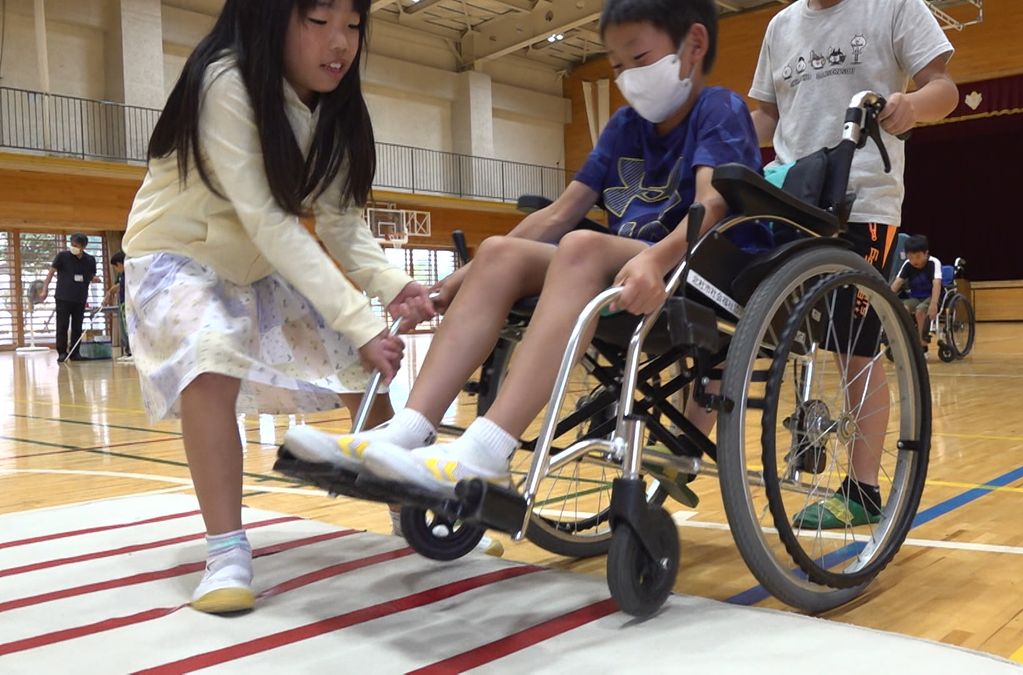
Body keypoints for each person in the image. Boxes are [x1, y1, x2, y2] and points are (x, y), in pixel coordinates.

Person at [284, 0, 771, 494]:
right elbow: (558, 213)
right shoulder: (625, 127)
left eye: (640, 59)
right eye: (618, 66)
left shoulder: (720, 109)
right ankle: (409, 430)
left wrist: (654, 258)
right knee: (498, 251)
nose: (627, 77)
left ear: (693, 46)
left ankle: (489, 448)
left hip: (703, 265)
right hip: (625, 262)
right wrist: (462, 276)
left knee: (582, 245)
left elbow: (711, 206)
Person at [121, 0, 433, 614]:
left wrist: (393, 286)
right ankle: (226, 553)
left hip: (257, 267)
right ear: (271, 17)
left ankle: (417, 520)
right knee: (209, 364)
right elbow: (267, 218)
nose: (339, 43)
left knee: (363, 369)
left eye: (352, 25)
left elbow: (341, 221)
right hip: (177, 258)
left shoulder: (335, 107)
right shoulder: (225, 80)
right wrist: (364, 320)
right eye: (319, 22)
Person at [749, 0, 957, 528]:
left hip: (860, 200)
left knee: (854, 349)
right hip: (787, 196)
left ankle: (863, 490)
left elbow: (945, 88)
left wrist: (912, 104)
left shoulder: (892, 7)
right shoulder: (781, 25)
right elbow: (766, 115)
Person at [39, 233, 98, 363]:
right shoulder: (62, 256)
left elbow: (91, 276)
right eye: (72, 244)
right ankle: (61, 352)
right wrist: (44, 289)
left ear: (83, 247)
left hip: (80, 297)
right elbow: (51, 273)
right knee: (62, 325)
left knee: (77, 326)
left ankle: (75, 353)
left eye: (76, 245)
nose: (73, 247)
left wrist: (94, 279)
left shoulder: (90, 260)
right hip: (63, 297)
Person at [890, 234, 942, 349]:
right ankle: (907, 336)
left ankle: (921, 340)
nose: (914, 261)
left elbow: (937, 284)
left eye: (918, 257)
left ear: (926, 253)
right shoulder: (908, 264)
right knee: (901, 308)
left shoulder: (933, 262)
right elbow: (897, 282)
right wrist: (885, 297)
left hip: (931, 297)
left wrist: (934, 304)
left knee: (920, 310)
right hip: (915, 298)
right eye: (910, 257)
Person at [102, 251, 133, 361]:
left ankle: (133, 352)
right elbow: (117, 286)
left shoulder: (131, 272)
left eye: (115, 267)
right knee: (125, 328)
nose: (116, 270)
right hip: (124, 302)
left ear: (119, 264)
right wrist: (109, 293)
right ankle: (129, 352)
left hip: (130, 304)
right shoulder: (123, 275)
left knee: (130, 328)